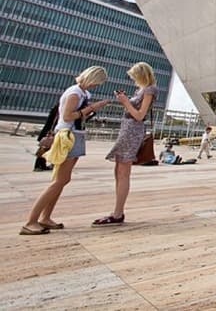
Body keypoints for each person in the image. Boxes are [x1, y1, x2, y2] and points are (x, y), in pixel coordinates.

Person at [21, 66, 111, 235]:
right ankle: (31, 221)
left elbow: (77, 116)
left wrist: (91, 109)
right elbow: (68, 116)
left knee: (61, 180)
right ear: (91, 79)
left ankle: (45, 217)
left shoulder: (82, 93)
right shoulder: (74, 93)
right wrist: (92, 108)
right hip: (67, 136)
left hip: (74, 136)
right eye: (96, 83)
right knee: (59, 181)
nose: (96, 86)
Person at [93, 62, 158, 226]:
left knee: (123, 171)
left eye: (134, 76)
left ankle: (118, 213)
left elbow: (140, 115)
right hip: (127, 129)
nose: (133, 79)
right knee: (119, 169)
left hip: (133, 131)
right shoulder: (141, 90)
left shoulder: (149, 89)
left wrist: (125, 102)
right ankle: (117, 210)